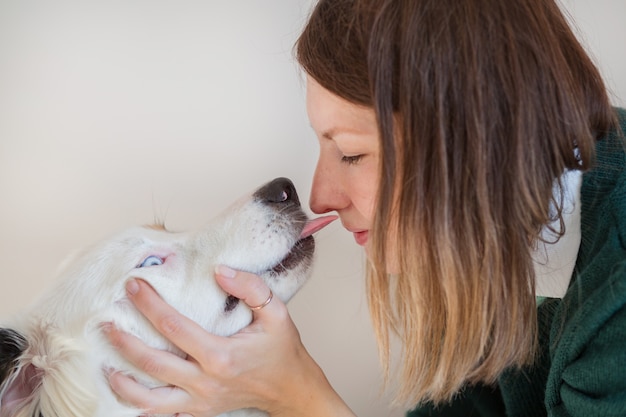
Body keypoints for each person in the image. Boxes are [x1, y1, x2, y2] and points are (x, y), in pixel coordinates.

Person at [105, 0, 626, 415]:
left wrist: (295, 394)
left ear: (467, 144)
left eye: (351, 153)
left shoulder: (613, 302)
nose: (320, 196)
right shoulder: (481, 251)